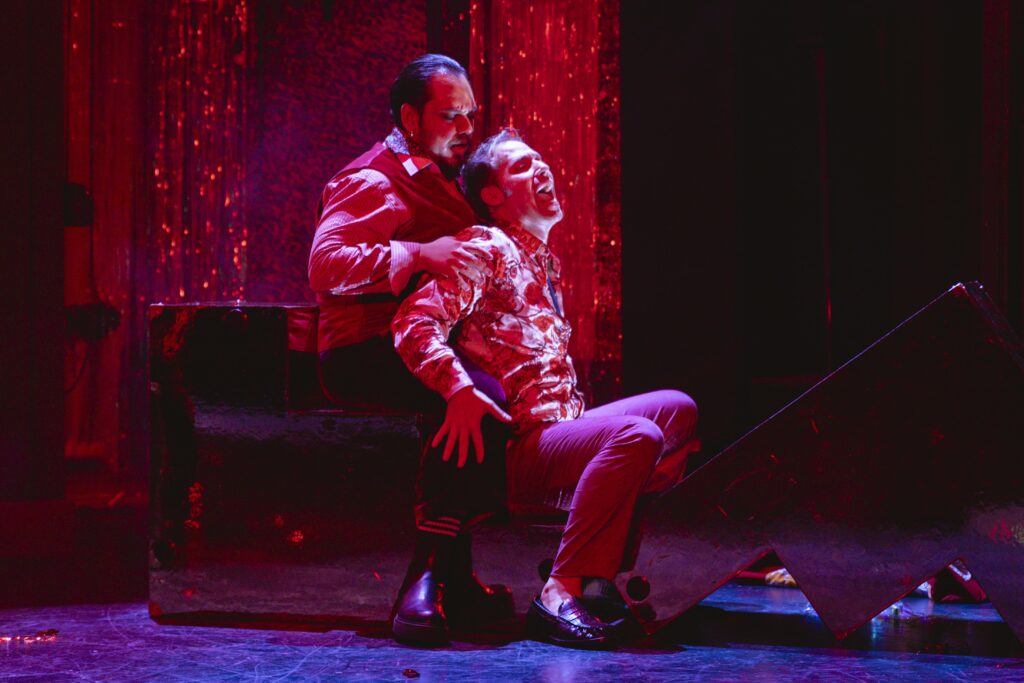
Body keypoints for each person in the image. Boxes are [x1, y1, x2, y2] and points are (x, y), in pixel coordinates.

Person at [392, 130, 699, 648]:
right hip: (520, 447)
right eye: (520, 166)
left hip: (560, 433)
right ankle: (560, 592)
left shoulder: (542, 261)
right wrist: (458, 390)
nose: (541, 168)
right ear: (493, 195)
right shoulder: (486, 245)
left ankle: (598, 577)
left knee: (677, 410)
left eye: (539, 159)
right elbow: (413, 322)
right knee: (638, 436)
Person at [307, 54, 511, 645]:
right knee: (476, 398)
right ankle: (425, 579)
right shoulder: (373, 178)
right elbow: (325, 265)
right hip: (363, 350)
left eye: (470, 115)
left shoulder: (442, 176)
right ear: (410, 118)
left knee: (488, 396)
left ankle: (455, 579)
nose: (466, 129)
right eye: (450, 116)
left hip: (421, 345)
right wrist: (418, 254)